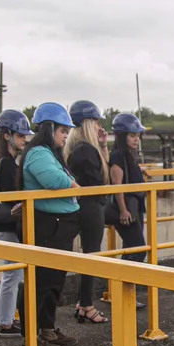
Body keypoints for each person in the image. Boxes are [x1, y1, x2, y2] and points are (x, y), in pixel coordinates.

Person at [18, 103, 80, 346]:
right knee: (40, 282)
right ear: (49, 128)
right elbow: (55, 180)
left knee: (53, 282)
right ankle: (31, 341)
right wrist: (73, 185)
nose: (65, 136)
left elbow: (65, 179)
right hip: (47, 226)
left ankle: (47, 329)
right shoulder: (38, 153)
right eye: (62, 130)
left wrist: (71, 183)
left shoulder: (49, 153)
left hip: (57, 226)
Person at [0, 109, 33, 338]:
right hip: (9, 223)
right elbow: (9, 195)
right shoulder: (6, 163)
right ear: (7, 135)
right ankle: (5, 323)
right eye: (20, 135)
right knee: (12, 274)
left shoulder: (2, 161)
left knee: (12, 273)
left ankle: (6, 320)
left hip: (6, 224)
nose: (24, 139)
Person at [63, 100, 110, 324]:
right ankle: (87, 305)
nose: (99, 126)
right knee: (92, 256)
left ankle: (83, 302)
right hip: (90, 206)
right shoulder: (86, 150)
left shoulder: (74, 147)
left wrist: (102, 145)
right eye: (95, 122)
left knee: (87, 257)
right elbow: (101, 180)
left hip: (79, 204)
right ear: (88, 123)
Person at [109, 113, 148, 266]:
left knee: (131, 248)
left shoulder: (129, 155)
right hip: (128, 205)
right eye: (132, 136)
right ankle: (120, 283)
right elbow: (117, 184)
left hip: (136, 204)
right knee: (138, 249)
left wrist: (140, 170)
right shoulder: (118, 156)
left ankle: (125, 289)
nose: (136, 139)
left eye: (137, 136)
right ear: (122, 136)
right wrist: (123, 210)